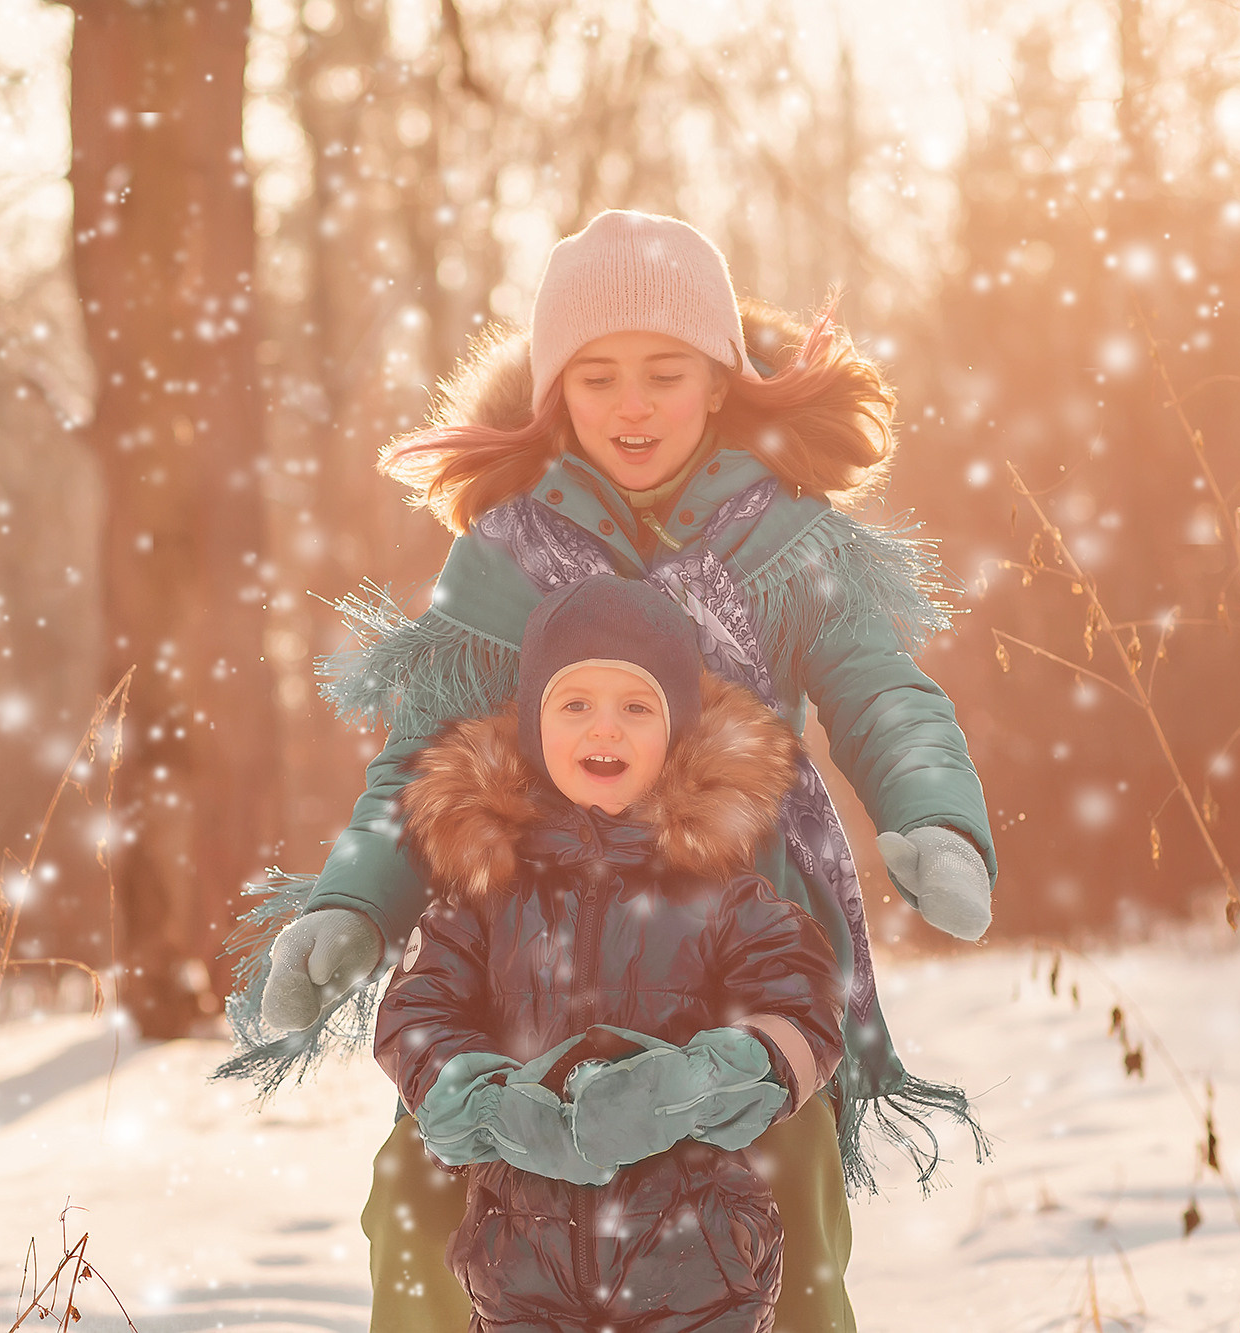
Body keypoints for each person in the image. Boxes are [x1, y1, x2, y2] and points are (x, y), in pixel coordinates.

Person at [218, 210, 998, 1330]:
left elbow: (881, 690)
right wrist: (351, 906)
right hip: (526, 953)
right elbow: (424, 747)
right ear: (555, 395)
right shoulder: (504, 551)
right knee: (423, 1201)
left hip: (735, 951)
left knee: (778, 1223)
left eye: (662, 373)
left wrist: (931, 815)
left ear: (719, 380)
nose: (631, 406)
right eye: (596, 378)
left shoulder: (786, 539)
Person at [373, 575, 846, 1332]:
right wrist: (491, 1103)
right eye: (575, 704)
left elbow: (805, 1007)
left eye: (636, 707)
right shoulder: (485, 893)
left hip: (699, 1265)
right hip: (522, 1263)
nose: (606, 730)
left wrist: (699, 1080)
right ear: (534, 725)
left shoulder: (723, 894)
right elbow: (415, 1010)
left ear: (676, 730)